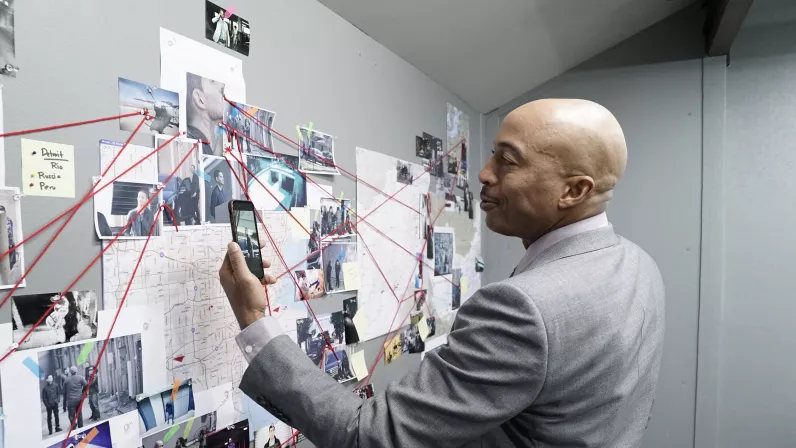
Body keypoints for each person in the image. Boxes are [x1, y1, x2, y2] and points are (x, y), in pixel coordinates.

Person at [220, 99, 664, 447]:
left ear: (574, 190)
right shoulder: (639, 267)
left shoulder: (526, 309)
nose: (484, 174)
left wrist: (255, 321)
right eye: (492, 155)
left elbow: (369, 437)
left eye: (508, 161)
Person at [186, 72, 225, 156]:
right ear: (199, 99)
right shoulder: (193, 149)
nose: (222, 86)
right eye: (212, 81)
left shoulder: (203, 147)